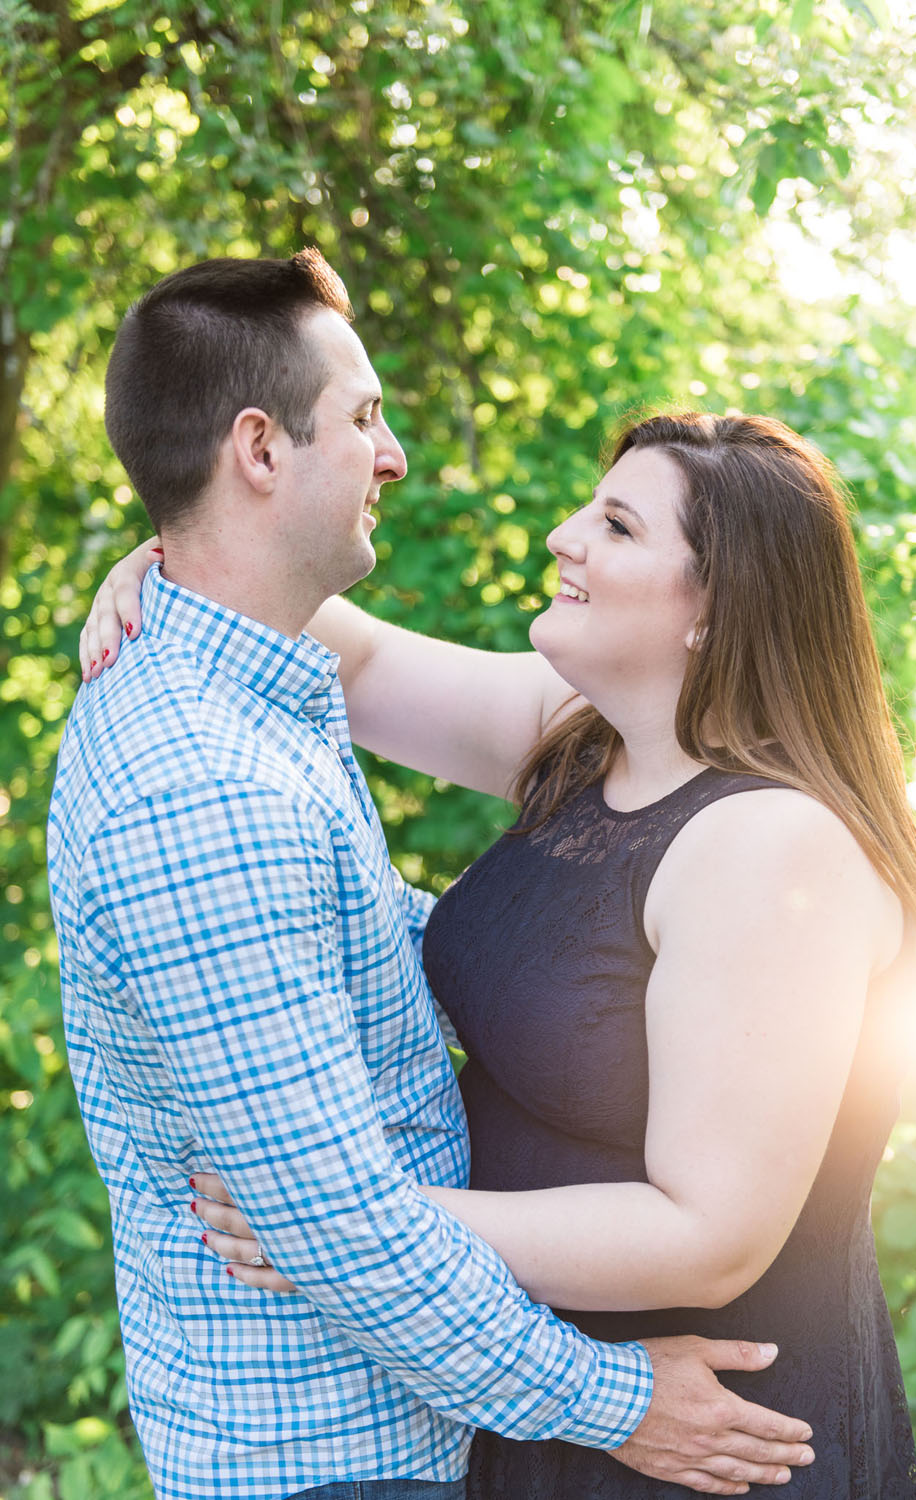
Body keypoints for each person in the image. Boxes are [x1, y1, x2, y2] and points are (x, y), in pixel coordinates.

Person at [53, 251, 816, 1500]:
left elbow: (382, 949)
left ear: (713, 606)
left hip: (417, 1428)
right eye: (363, 418)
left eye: (616, 523)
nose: (393, 452)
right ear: (257, 449)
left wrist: (170, 552)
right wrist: (619, 1402)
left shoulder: (272, 706)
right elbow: (326, 1223)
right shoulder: (204, 777)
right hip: (328, 1454)